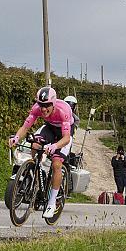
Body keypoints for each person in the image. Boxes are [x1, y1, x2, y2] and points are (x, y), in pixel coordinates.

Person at [9, 86, 74, 219]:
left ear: (54, 103)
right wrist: (16, 137)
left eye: (47, 105)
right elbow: (25, 127)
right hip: (49, 128)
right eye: (41, 105)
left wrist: (55, 146)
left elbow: (66, 138)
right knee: (35, 143)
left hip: (63, 133)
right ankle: (35, 170)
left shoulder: (64, 110)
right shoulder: (36, 109)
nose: (43, 109)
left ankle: (51, 202)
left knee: (56, 164)